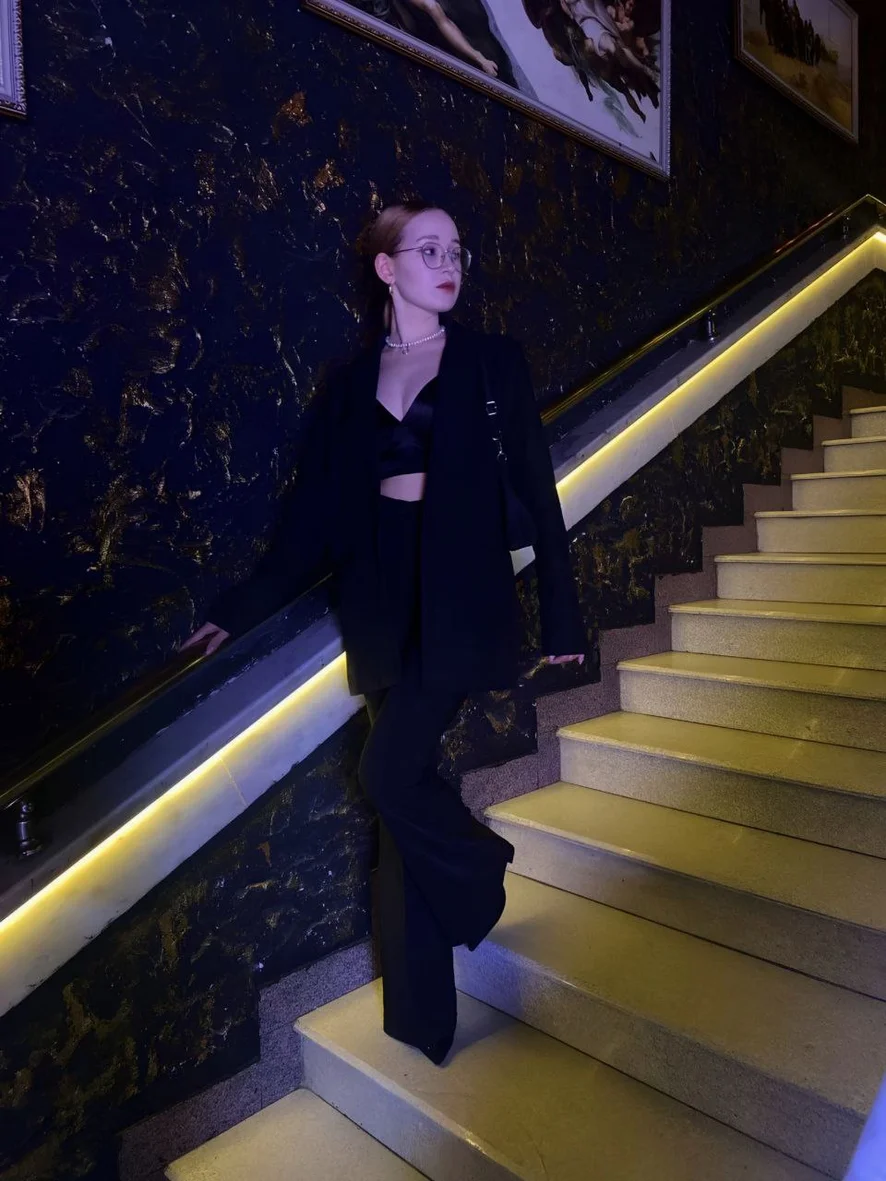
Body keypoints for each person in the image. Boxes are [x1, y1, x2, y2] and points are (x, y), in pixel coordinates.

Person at [181, 201, 586, 1067]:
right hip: (375, 598)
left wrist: (563, 615)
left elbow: (537, 493)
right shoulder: (347, 385)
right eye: (428, 249)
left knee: (386, 773)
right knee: (400, 800)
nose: (449, 263)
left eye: (457, 249)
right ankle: (421, 1016)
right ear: (386, 267)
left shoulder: (492, 362)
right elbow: (310, 520)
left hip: (457, 592)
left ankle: (479, 871)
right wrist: (240, 606)